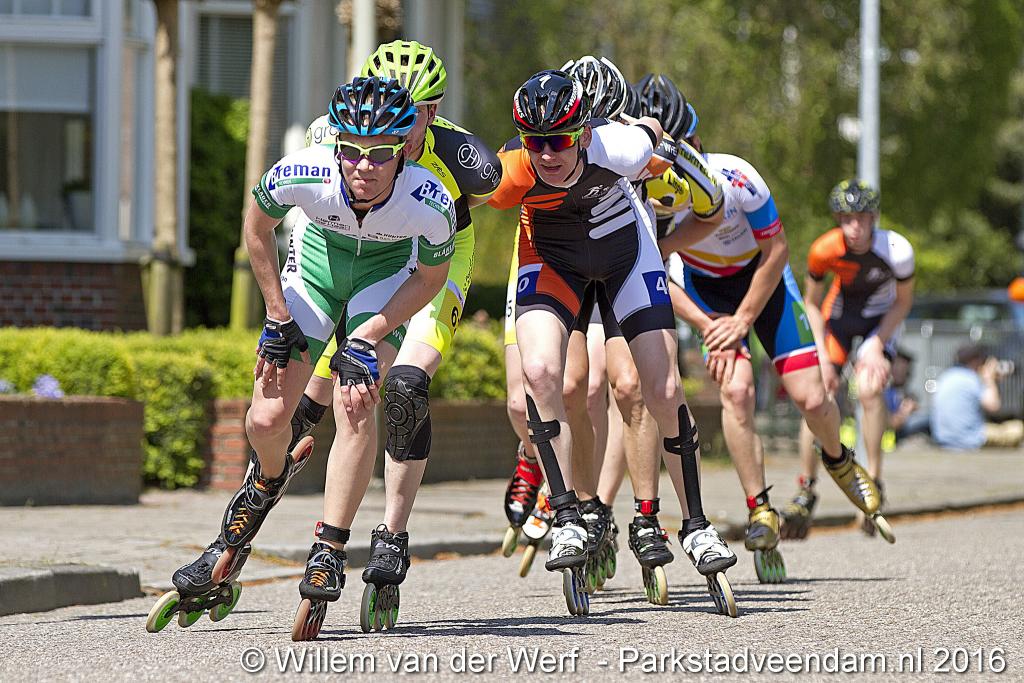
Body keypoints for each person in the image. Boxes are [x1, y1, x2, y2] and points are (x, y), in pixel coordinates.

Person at [149, 77, 455, 641]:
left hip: (384, 280)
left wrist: (371, 335)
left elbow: (432, 278)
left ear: (403, 149)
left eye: (380, 153)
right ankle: (268, 480)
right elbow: (256, 226)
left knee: (356, 400)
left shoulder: (428, 199)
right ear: (336, 144)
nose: (364, 166)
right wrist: (275, 314)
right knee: (266, 420)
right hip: (315, 272)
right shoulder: (304, 171)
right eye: (352, 151)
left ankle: (330, 547)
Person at [489, 69, 736, 615]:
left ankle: (696, 525)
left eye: (559, 141)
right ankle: (567, 516)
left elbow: (656, 134)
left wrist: (662, 147)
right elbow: (456, 194)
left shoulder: (620, 147)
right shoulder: (512, 170)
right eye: (535, 141)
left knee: (661, 387)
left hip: (625, 258)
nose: (547, 154)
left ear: (583, 132)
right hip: (553, 262)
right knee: (541, 375)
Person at [290, 41, 501, 629]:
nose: (402, 126)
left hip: (440, 258)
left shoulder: (465, 159)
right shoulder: (344, 139)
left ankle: (392, 533)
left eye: (418, 112)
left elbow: (488, 197)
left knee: (405, 385)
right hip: (381, 259)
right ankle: (261, 508)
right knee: (325, 390)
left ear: (435, 112)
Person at [659, 94, 874, 578]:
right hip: (707, 294)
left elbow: (777, 251)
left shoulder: (738, 177)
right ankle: (760, 509)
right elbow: (655, 275)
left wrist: (743, 318)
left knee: (811, 397)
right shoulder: (653, 198)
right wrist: (708, 325)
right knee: (736, 392)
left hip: (765, 282)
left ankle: (838, 459)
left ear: (696, 143)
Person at [783, 179, 913, 540]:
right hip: (838, 320)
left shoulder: (897, 250)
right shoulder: (824, 249)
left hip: (879, 321)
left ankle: (874, 482)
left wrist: (877, 344)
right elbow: (811, 304)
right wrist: (823, 356)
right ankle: (806, 488)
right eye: (846, 219)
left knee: (869, 388)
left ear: (874, 218)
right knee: (816, 394)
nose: (854, 227)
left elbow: (903, 302)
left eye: (861, 219)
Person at [932, 344, 1023, 449]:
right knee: (1018, 428)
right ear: (975, 361)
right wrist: (989, 379)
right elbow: (993, 406)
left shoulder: (946, 376)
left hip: (944, 438)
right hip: (970, 438)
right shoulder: (970, 379)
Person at [885, 348, 930, 442]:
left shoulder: (901, 392)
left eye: (906, 370)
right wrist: (904, 413)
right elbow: (890, 423)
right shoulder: (885, 392)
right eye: (900, 369)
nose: (904, 373)